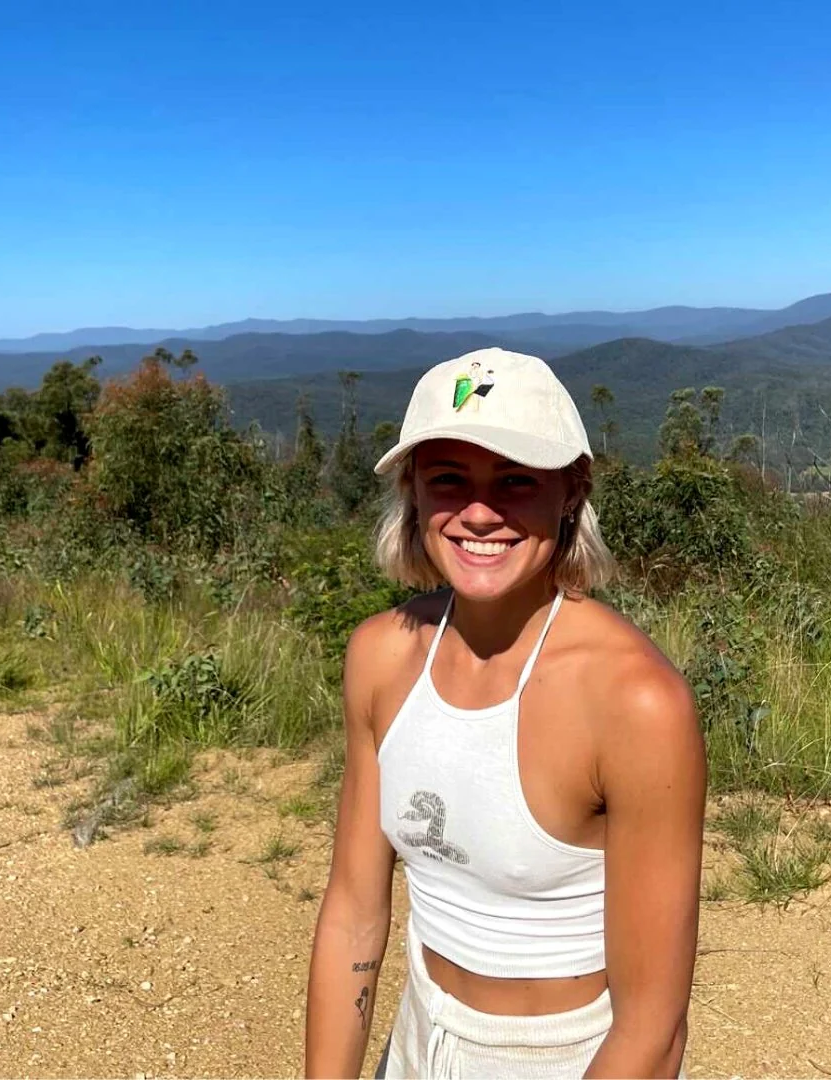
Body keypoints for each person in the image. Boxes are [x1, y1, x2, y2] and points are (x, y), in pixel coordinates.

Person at [305, 347, 705, 1079]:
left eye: (516, 481)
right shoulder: (382, 658)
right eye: (448, 478)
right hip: (421, 1033)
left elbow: (653, 1030)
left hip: (569, 1057)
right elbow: (353, 911)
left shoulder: (636, 704)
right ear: (413, 493)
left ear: (571, 490)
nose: (480, 513)